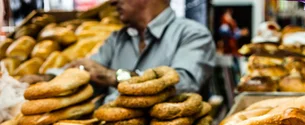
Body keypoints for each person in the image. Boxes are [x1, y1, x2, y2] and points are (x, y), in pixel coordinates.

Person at [66, 0, 216, 94]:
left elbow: (183, 83)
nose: (111, 2)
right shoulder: (116, 39)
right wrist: (48, 78)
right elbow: (88, 72)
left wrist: (114, 76)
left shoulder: (193, 34)